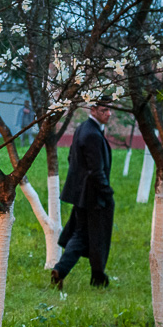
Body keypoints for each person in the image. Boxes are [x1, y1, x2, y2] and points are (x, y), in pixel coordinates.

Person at [50, 102, 114, 289]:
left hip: (81, 195)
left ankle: (60, 270)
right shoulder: (92, 134)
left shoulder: (82, 129)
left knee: (80, 235)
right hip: (93, 196)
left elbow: (72, 158)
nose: (109, 114)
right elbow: (96, 170)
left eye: (110, 110)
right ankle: (98, 277)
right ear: (92, 110)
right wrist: (106, 193)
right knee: (98, 236)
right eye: (104, 110)